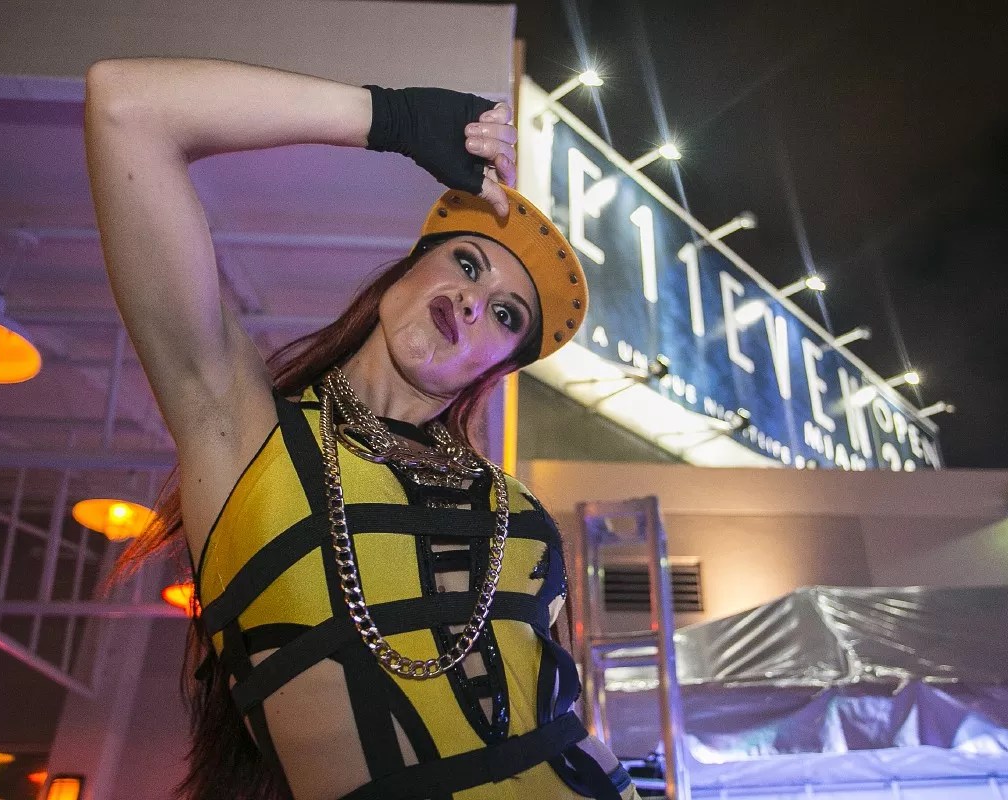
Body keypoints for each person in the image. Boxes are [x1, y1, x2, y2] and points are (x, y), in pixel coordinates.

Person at [85, 57, 640, 800]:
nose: (474, 302)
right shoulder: (245, 436)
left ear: (495, 367)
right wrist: (393, 117)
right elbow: (126, 105)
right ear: (402, 274)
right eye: (467, 264)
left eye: (507, 315)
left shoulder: (521, 512)